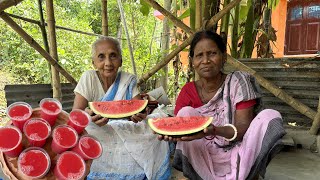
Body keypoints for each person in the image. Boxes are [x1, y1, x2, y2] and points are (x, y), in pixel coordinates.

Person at [157, 30, 286, 180]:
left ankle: (243, 174)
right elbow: (181, 131)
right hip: (202, 155)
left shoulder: (238, 81)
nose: (206, 60)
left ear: (223, 57)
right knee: (185, 113)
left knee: (270, 116)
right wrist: (171, 134)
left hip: (240, 153)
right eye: (199, 55)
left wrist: (213, 130)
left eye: (212, 53)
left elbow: (243, 129)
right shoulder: (187, 91)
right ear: (192, 61)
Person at [73, 36, 171, 179]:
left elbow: (139, 109)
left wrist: (139, 115)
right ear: (93, 62)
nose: (108, 63)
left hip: (126, 127)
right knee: (88, 130)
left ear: (120, 60)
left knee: (151, 128)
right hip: (99, 129)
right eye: (101, 57)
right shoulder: (89, 77)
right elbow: (76, 114)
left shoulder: (128, 79)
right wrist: (88, 115)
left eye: (113, 56)